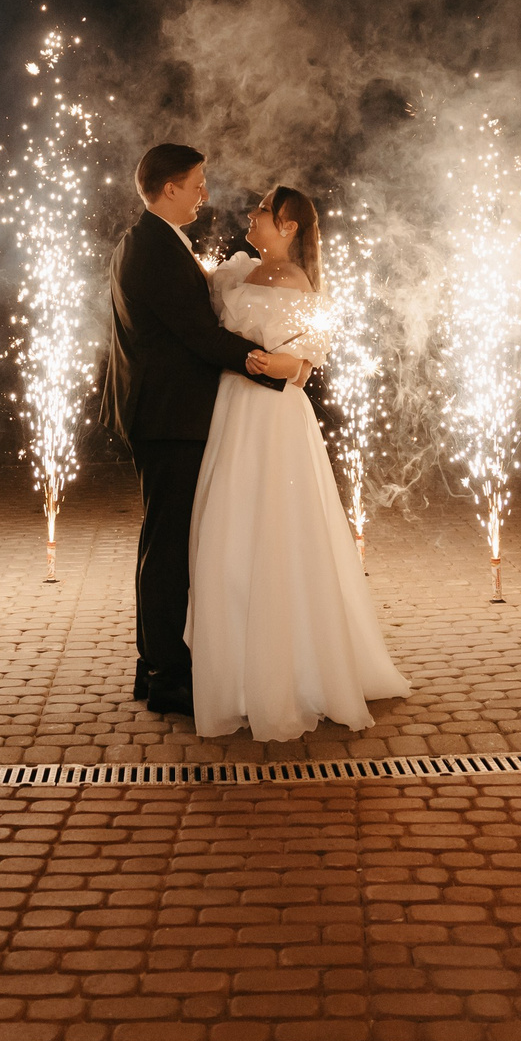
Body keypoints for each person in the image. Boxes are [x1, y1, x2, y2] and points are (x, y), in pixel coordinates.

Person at [188, 186, 408, 739]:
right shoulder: (239, 272)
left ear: (287, 226)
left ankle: (289, 671)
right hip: (232, 410)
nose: (252, 216)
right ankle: (235, 672)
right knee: (229, 531)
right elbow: (208, 295)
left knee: (279, 530)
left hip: (272, 416)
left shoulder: (300, 285)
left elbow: (307, 359)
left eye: (263, 210)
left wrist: (288, 361)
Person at [100, 144, 289, 717]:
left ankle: (151, 662)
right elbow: (198, 335)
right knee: (168, 548)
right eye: (198, 183)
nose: (206, 194)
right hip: (168, 416)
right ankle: (165, 676)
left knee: (162, 542)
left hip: (161, 412)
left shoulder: (152, 242)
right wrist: (269, 363)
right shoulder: (153, 248)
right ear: (170, 187)